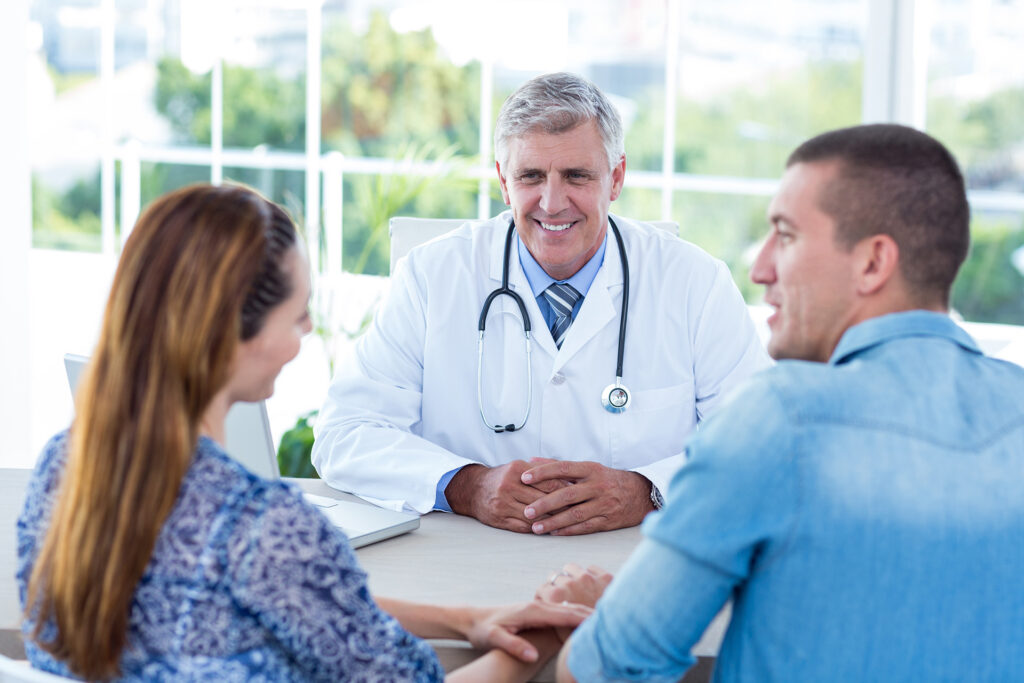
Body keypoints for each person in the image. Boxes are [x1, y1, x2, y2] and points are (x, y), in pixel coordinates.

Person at [16, 184, 590, 682]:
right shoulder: (269, 528)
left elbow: (294, 598)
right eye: (296, 315)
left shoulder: (63, 469)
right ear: (236, 335)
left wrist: (462, 619)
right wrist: (553, 625)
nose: (309, 330)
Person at [547, 123, 1024, 682]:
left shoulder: (780, 420)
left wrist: (600, 617)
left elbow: (605, 671)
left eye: (787, 235)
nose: (761, 268)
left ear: (872, 263)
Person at [312, 72, 768, 535]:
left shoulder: (695, 282)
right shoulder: (431, 276)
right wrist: (466, 487)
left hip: (635, 561)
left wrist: (648, 491)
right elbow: (344, 433)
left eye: (576, 176)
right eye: (531, 176)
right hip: (470, 559)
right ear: (503, 183)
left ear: (615, 178)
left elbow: (759, 445)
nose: (552, 203)